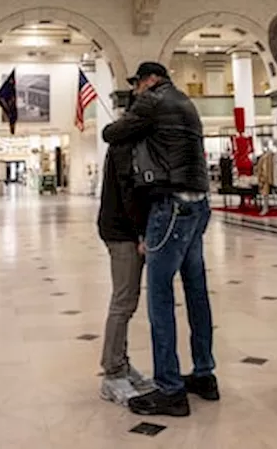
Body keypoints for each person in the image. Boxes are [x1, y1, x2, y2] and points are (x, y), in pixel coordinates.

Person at [103, 61, 216, 418]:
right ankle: (204, 374)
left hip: (171, 207)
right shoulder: (186, 102)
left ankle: (169, 389)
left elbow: (110, 133)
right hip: (199, 204)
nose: (135, 92)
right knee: (197, 292)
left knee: (161, 298)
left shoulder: (153, 100)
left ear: (150, 80)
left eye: (137, 84)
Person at [96, 92, 151, 406]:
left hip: (122, 230)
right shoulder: (124, 145)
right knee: (123, 300)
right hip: (122, 233)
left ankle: (122, 363)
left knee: (128, 300)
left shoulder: (126, 141)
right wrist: (140, 232)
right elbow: (130, 193)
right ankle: (112, 373)